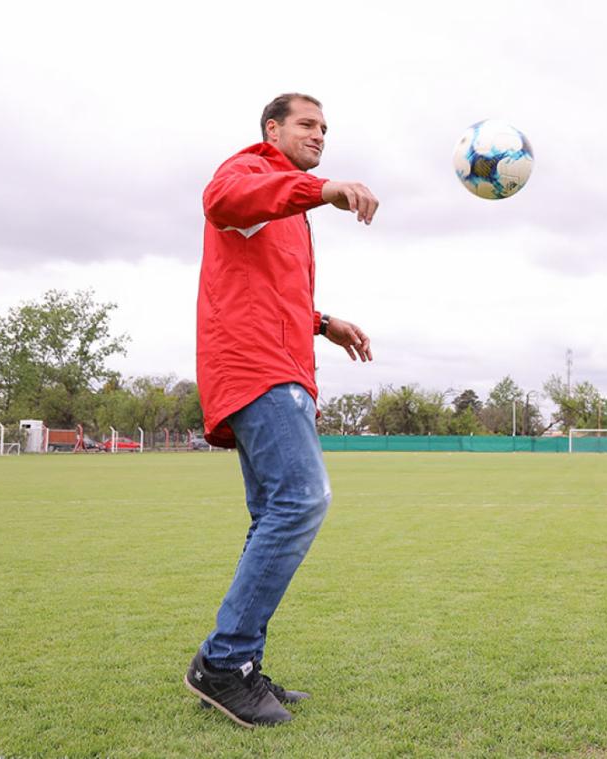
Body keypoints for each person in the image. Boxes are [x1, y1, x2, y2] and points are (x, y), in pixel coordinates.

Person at [183, 93, 379, 728]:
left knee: (273, 512)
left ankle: (241, 666)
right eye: (307, 124)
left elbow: (266, 287)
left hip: (283, 364)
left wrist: (323, 322)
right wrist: (322, 189)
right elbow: (222, 203)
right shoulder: (249, 173)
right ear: (273, 128)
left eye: (325, 128)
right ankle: (223, 662)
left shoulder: (289, 204)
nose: (319, 135)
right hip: (255, 369)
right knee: (302, 499)